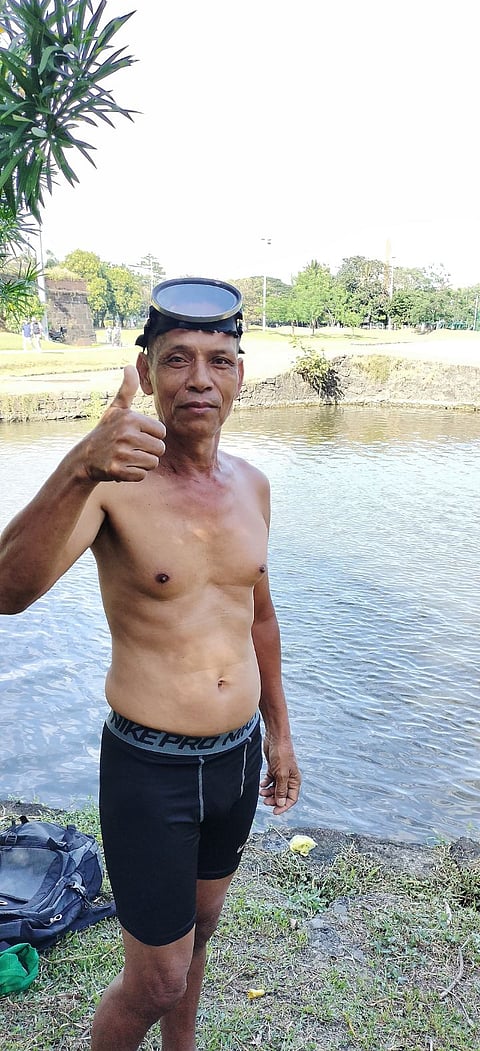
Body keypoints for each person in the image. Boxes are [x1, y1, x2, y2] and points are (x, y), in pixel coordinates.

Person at [0, 277, 301, 1051]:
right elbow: (9, 590)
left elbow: (258, 616)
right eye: (177, 360)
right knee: (155, 978)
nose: (200, 378)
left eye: (219, 360)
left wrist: (281, 734)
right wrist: (79, 465)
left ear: (239, 374)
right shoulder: (115, 485)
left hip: (234, 761)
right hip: (150, 769)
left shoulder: (254, 488)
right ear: (146, 370)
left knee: (199, 936)